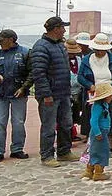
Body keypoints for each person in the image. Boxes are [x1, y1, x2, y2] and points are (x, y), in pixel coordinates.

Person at [31, 17, 80, 167]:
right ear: (55, 29)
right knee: (49, 126)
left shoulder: (60, 45)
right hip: (50, 95)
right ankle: (46, 155)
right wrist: (46, 94)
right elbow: (39, 73)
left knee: (66, 123)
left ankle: (64, 152)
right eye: (62, 27)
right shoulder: (41, 47)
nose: (64, 30)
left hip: (63, 93)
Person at [0, 29, 32, 163]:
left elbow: (32, 73)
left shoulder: (25, 53)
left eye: (2, 40)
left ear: (10, 40)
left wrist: (24, 88)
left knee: (18, 123)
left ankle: (17, 149)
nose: (0, 43)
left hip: (18, 94)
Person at [78, 33, 112, 156]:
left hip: (109, 92)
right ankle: (92, 146)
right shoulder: (87, 60)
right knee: (93, 119)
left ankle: (108, 147)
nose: (100, 52)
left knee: (109, 120)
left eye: (102, 50)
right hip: (93, 92)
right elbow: (80, 76)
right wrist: (90, 85)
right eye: (97, 50)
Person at [82, 82, 112, 181]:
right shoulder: (98, 106)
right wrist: (97, 133)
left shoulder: (103, 105)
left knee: (95, 151)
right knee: (101, 152)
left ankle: (89, 171)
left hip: (102, 131)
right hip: (99, 132)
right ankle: (99, 172)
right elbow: (93, 121)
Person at [65, 39, 84, 141]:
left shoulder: (80, 59)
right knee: (67, 113)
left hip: (79, 90)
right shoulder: (62, 60)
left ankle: (73, 132)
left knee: (76, 112)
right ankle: (68, 134)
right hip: (66, 90)